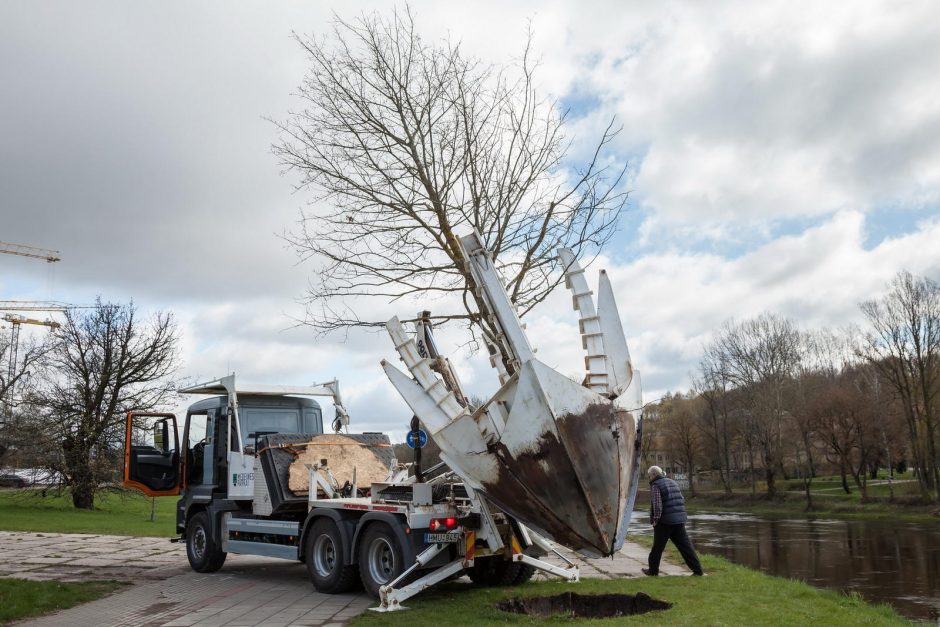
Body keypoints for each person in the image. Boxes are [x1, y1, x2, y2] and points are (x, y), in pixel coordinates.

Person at [642, 465, 704, 577]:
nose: (649, 478)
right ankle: (698, 570)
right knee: (686, 547)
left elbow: (657, 506)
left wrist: (655, 520)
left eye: (649, 476)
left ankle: (653, 571)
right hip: (679, 520)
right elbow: (682, 499)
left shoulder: (656, 485)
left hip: (664, 522)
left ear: (653, 475)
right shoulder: (672, 482)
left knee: (657, 548)